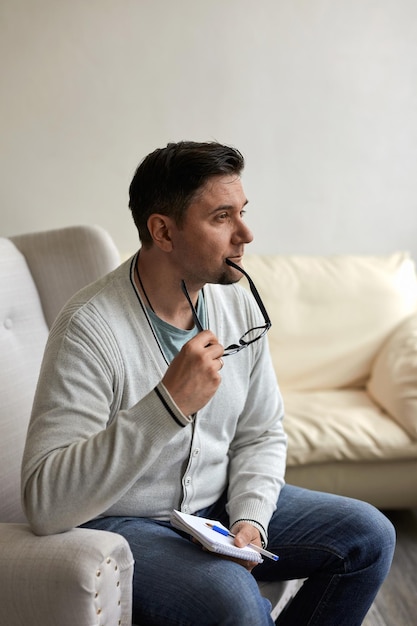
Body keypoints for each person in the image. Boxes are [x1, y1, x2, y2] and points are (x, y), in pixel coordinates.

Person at [21, 141, 395, 625]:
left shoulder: (237, 306)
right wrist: (167, 404)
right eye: (222, 217)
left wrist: (251, 518)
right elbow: (46, 504)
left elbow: (261, 432)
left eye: (242, 212)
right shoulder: (90, 330)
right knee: (232, 598)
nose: (246, 234)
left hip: (217, 506)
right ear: (163, 231)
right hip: (125, 523)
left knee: (369, 535)